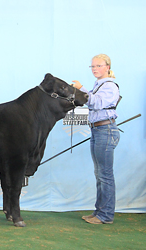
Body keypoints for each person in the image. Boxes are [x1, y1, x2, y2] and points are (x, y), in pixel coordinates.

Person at [72, 54, 120, 224]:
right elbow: (93, 99)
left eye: (98, 66)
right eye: (92, 67)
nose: (95, 69)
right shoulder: (100, 85)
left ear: (107, 67)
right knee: (100, 174)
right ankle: (99, 211)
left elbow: (96, 103)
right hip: (99, 130)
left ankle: (105, 215)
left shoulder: (110, 85)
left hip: (105, 130)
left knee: (105, 175)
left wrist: (81, 89)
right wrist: (84, 90)